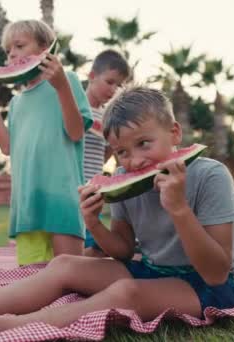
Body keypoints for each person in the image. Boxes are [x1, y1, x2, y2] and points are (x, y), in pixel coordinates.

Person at [0, 86, 234, 341]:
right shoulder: (123, 180)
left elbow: (216, 271)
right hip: (155, 269)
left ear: (175, 132)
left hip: (211, 286)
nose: (134, 161)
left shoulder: (208, 175)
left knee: (126, 291)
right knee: (65, 264)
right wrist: (92, 224)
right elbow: (121, 249)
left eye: (144, 144)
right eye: (122, 152)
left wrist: (179, 210)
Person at [0, 19, 93, 265]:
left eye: (19, 46)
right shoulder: (16, 103)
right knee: (31, 279)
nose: (12, 55)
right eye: (8, 51)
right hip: (26, 202)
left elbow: (75, 133)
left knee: (71, 275)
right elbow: (7, 147)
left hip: (61, 194)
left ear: (45, 49)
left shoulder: (68, 80)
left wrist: (61, 86)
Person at [82, 49, 130, 257]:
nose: (114, 89)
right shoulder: (74, 106)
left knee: (100, 245)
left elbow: (108, 153)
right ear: (92, 76)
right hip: (69, 188)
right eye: (109, 82)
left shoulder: (107, 117)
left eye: (119, 85)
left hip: (92, 189)